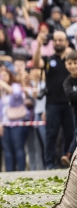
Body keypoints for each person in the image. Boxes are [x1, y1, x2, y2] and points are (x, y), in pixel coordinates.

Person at [33, 31, 75, 169]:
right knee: (51, 134)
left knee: (70, 134)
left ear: (66, 42)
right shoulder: (47, 59)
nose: (57, 42)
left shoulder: (71, 61)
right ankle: (49, 164)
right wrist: (38, 45)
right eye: (55, 40)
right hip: (52, 103)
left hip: (70, 104)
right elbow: (35, 63)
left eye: (60, 40)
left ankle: (67, 162)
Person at [0, 69, 30, 171]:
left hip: (17, 123)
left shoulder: (15, 86)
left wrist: (3, 84)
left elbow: (17, 94)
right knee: (7, 150)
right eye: (1, 76)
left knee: (18, 148)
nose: (3, 78)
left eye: (5, 75)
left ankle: (21, 171)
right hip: (5, 124)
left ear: (10, 76)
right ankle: (9, 172)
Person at [61, 50, 77, 165]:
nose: (73, 66)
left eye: (75, 63)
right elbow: (71, 95)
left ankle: (69, 154)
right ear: (66, 65)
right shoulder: (67, 82)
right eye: (70, 63)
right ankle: (70, 154)